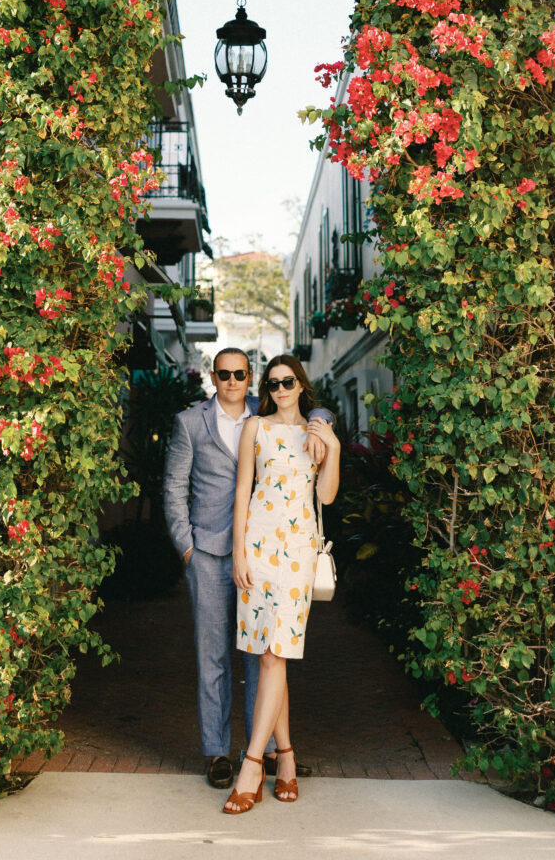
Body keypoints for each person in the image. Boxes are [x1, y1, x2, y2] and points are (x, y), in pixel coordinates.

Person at [163, 347, 333, 789]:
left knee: (263, 655)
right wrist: (187, 549)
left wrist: (325, 422)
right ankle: (218, 752)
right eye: (224, 374)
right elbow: (173, 489)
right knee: (213, 656)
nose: (232, 380)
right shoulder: (190, 423)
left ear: (250, 377)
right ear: (213, 377)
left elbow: (308, 411)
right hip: (209, 553)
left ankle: (267, 752)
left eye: (240, 373)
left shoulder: (263, 417)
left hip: (263, 554)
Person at [223, 354, 340, 813]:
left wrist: (330, 442)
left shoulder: (317, 432)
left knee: (276, 654)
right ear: (266, 389)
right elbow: (242, 491)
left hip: (297, 555)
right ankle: (286, 758)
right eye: (272, 384)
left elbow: (326, 494)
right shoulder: (256, 427)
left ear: (300, 383)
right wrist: (237, 551)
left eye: (288, 381)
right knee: (273, 657)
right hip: (257, 550)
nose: (280, 389)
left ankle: (254, 763)